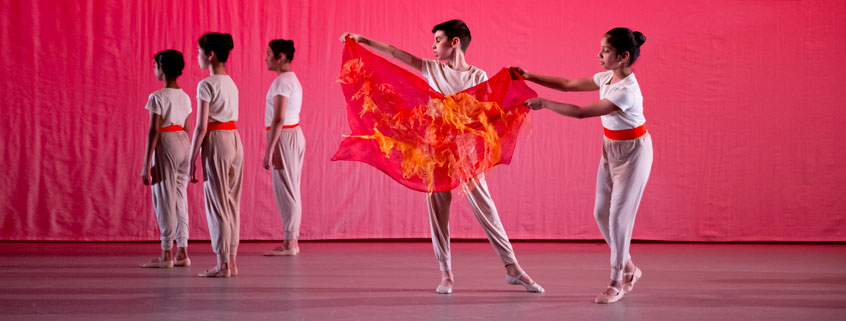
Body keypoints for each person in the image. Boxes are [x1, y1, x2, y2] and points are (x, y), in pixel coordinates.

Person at [341, 19, 544, 294]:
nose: (433, 46)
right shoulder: (432, 68)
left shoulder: (478, 76)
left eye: (438, 40)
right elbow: (393, 52)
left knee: (486, 207)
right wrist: (362, 40)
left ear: (454, 42)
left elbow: (487, 111)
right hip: (435, 149)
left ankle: (513, 268)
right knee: (438, 210)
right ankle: (446, 273)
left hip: (466, 150)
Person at [512, 27, 650, 303]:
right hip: (611, 148)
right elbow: (567, 84)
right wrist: (530, 75)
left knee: (618, 217)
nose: (599, 54)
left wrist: (545, 103)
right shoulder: (607, 77)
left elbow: (581, 113)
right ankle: (630, 268)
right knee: (601, 212)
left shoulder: (626, 92)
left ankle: (616, 281)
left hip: (634, 153)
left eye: (606, 50)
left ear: (623, 56)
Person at [189, 32, 244, 278]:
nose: (197, 55)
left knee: (218, 202)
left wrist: (191, 160)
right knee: (231, 202)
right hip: (234, 140)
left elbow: (201, 126)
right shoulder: (231, 83)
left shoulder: (206, 85)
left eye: (199, 51)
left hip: (217, 141)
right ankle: (230, 261)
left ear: (210, 55)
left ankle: (223, 264)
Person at [140, 50, 192, 269]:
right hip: (183, 142)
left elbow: (153, 131)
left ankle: (166, 253)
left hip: (166, 141)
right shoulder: (185, 96)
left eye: (155, 65)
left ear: (162, 69)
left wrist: (145, 165)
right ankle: (182, 250)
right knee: (180, 196)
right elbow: (188, 127)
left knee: (164, 197)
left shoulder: (157, 97)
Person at [261, 39, 306, 257]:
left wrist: (269, 151)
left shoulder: (282, 82)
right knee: (291, 188)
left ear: (280, 57)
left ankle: (290, 242)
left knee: (287, 190)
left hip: (284, 136)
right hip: (291, 135)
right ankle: (290, 239)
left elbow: (278, 118)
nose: (266, 57)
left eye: (269, 53)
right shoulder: (291, 80)